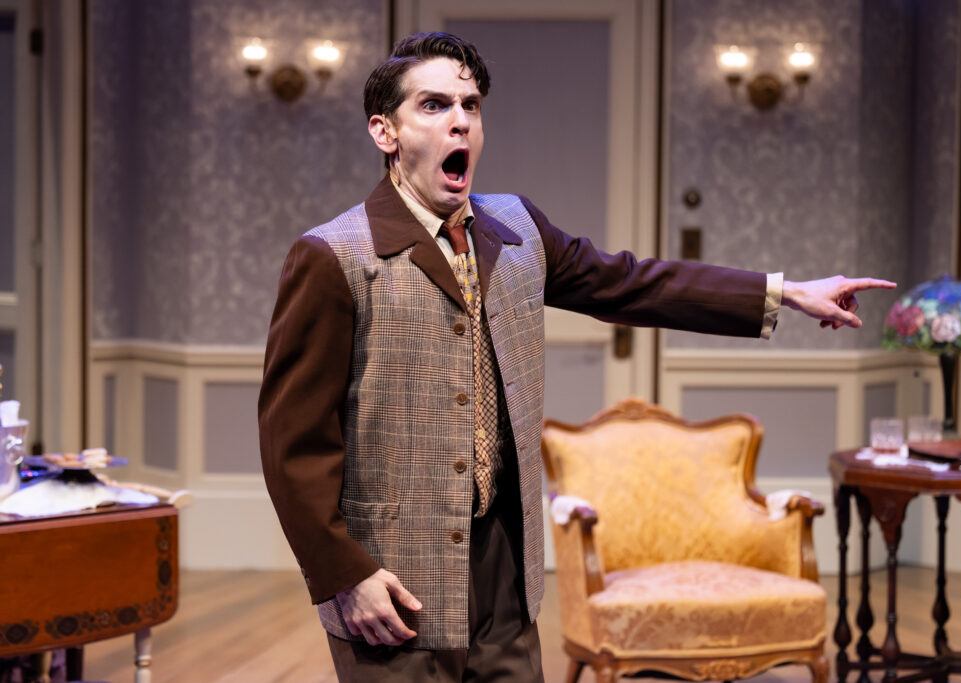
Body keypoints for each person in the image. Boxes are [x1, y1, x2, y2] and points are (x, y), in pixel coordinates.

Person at [258, 31, 895, 682]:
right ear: (385, 132)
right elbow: (293, 445)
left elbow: (632, 282)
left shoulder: (518, 230)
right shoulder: (335, 256)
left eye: (470, 106)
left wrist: (785, 292)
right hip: (393, 576)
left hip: (505, 567)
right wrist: (344, 574)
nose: (460, 121)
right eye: (434, 105)